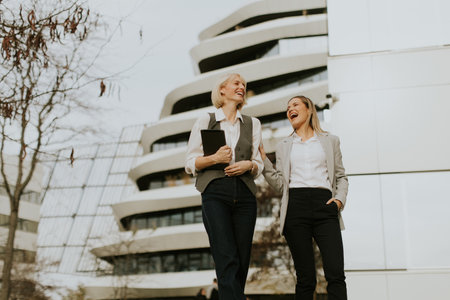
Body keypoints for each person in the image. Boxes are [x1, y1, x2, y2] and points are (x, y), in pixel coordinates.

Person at [260, 95, 348, 300]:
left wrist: (339, 201)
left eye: (295, 105)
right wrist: (264, 161)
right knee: (305, 277)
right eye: (288, 107)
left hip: (325, 204)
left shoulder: (330, 141)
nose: (290, 109)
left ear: (309, 110)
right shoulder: (284, 146)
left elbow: (341, 176)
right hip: (295, 206)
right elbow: (281, 184)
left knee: (335, 273)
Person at [185, 73, 263, 300]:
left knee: (241, 258)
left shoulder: (253, 123)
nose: (242, 87)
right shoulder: (205, 120)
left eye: (244, 85)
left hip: (245, 194)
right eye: (236, 83)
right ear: (222, 90)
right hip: (215, 193)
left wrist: (248, 165)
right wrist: (214, 159)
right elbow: (190, 163)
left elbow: (258, 164)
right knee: (226, 256)